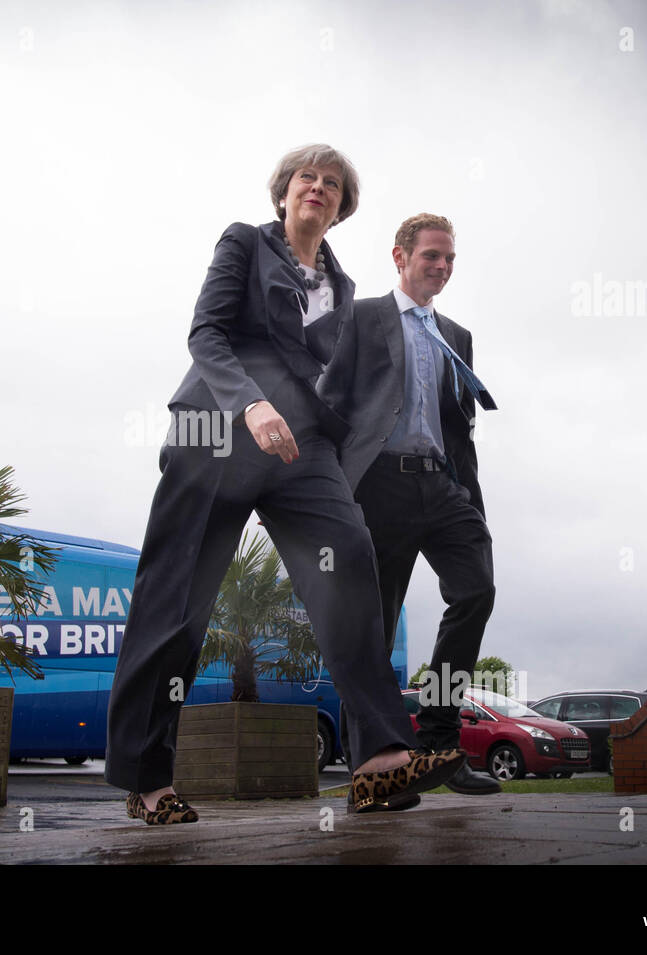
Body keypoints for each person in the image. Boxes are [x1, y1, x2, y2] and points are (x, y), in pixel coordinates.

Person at [104, 148, 466, 824]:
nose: (319, 188)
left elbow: (326, 373)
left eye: (333, 184)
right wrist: (250, 403)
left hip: (302, 446)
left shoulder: (346, 285)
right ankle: (146, 777)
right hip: (216, 429)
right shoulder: (245, 242)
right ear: (284, 192)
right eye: (309, 177)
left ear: (341, 206)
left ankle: (378, 757)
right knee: (178, 600)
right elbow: (206, 334)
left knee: (350, 557)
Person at [318, 213, 500, 795]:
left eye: (450, 260)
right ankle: (372, 769)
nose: (442, 268)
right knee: (375, 624)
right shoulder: (361, 318)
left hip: (443, 487)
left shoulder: (457, 335)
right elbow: (329, 404)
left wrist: (470, 500)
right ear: (400, 258)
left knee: (475, 591)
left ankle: (441, 742)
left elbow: (459, 427)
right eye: (431, 257)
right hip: (378, 488)